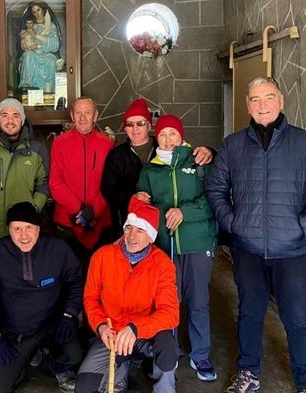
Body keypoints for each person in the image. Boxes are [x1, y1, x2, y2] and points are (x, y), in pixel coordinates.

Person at [206, 77, 306, 393]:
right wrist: (232, 223)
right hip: (248, 249)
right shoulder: (233, 145)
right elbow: (216, 189)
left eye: (268, 97)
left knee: (297, 320)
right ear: (247, 105)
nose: (262, 105)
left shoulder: (305, 144)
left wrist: (303, 226)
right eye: (255, 99)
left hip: (294, 252)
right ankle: (248, 373)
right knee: (249, 313)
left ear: (281, 100)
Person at [136, 114, 218, 382]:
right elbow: (143, 209)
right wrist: (138, 199)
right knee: (167, 301)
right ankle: (167, 353)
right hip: (163, 245)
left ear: (181, 136)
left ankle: (201, 355)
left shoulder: (197, 162)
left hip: (197, 242)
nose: (168, 140)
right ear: (155, 137)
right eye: (162, 134)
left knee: (198, 300)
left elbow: (213, 200)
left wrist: (185, 212)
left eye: (173, 133)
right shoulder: (150, 169)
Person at [0, 201, 85, 393]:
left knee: (76, 354)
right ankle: (23, 361)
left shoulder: (57, 249)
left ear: (38, 228)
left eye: (29, 228)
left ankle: (57, 365)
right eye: (16, 228)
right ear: (9, 229)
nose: (23, 235)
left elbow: (77, 280)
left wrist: (70, 313)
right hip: (15, 333)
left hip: (52, 325)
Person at [76, 198, 179, 393]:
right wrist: (101, 326)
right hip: (112, 334)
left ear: (151, 236)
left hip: (144, 334)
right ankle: (120, 369)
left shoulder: (162, 264)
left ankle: (165, 388)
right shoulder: (102, 256)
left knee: (167, 346)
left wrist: (136, 329)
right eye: (129, 228)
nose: (132, 236)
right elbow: (90, 298)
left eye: (140, 230)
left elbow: (170, 313)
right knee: (84, 387)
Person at [101, 98, 214, 241]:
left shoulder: (166, 145)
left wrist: (211, 152)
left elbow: (191, 156)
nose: (135, 128)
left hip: (167, 226)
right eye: (130, 124)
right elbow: (108, 189)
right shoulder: (116, 155)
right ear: (125, 128)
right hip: (132, 224)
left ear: (149, 126)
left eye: (140, 123)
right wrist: (132, 198)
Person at [49, 96, 114, 266]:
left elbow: (110, 184)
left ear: (96, 115)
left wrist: (93, 211)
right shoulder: (59, 143)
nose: (82, 118)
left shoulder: (107, 144)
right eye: (78, 113)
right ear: (72, 115)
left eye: (87, 113)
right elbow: (55, 183)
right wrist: (80, 209)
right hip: (68, 222)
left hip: (99, 221)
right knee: (69, 279)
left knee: (99, 278)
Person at [0, 97, 49, 247]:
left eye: (15, 115)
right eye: (4, 115)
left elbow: (45, 182)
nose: (10, 120)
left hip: (25, 227)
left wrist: (33, 207)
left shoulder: (37, 149)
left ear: (22, 120)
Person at [18, 2, 61, 93]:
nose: (37, 14)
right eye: (34, 12)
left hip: (47, 55)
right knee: (27, 56)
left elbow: (55, 45)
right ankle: (28, 84)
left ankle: (48, 87)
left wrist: (37, 36)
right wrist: (25, 43)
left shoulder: (50, 26)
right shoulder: (30, 26)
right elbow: (24, 41)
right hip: (33, 53)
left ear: (44, 11)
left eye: (38, 10)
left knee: (51, 62)